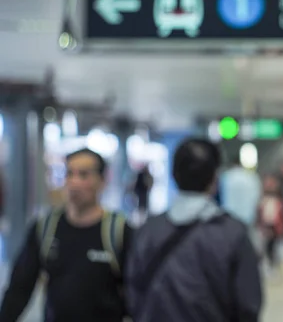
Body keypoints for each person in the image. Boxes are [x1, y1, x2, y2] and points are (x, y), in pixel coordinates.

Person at [126, 138, 262, 322]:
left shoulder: (148, 231)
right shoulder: (234, 235)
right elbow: (248, 304)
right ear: (214, 178)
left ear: (174, 175)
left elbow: (132, 294)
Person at [0, 148, 131, 322]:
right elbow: (19, 288)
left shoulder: (119, 231)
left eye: (84, 175)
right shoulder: (46, 228)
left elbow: (138, 293)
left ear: (102, 181)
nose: (74, 183)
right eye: (69, 174)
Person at [258, 174, 283, 277]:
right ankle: (267, 266)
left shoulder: (278, 201)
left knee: (273, 248)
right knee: (265, 248)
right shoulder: (263, 200)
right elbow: (260, 215)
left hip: (275, 226)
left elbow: (281, 215)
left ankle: (273, 266)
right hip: (266, 226)